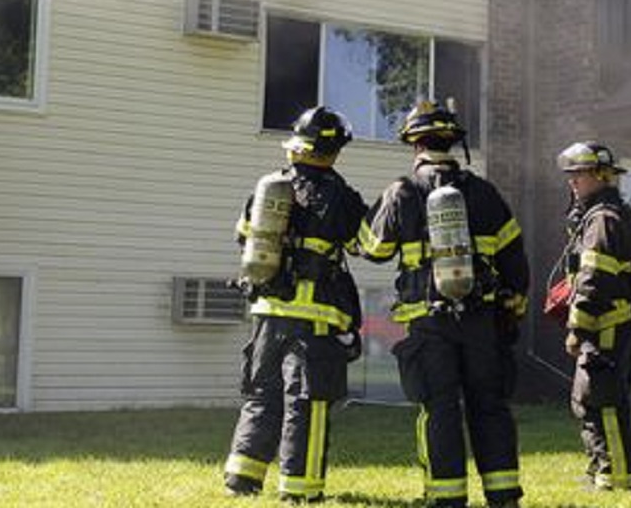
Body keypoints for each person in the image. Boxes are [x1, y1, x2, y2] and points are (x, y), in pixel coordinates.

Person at [357, 100, 529, 508]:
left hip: (428, 322)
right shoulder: (485, 193)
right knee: (490, 406)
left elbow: (373, 248)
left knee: (440, 408)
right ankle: (503, 494)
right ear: (453, 144)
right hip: (481, 322)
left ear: (414, 145)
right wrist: (511, 308)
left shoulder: (402, 191)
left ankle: (446, 497)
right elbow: (515, 262)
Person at [223, 106, 368, 502]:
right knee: (308, 401)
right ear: (334, 150)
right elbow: (367, 246)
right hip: (315, 317)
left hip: (268, 311)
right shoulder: (341, 196)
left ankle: (242, 477)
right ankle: (300, 489)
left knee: (261, 395)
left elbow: (244, 237)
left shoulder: (269, 187)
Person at [555, 141, 631, 490]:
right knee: (591, 397)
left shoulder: (604, 219)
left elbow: (595, 278)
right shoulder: (604, 214)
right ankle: (603, 469)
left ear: (600, 176)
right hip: (609, 321)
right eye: (571, 175)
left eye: (579, 175)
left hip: (605, 323)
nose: (572, 182)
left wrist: (576, 327)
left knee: (602, 399)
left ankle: (617, 474)